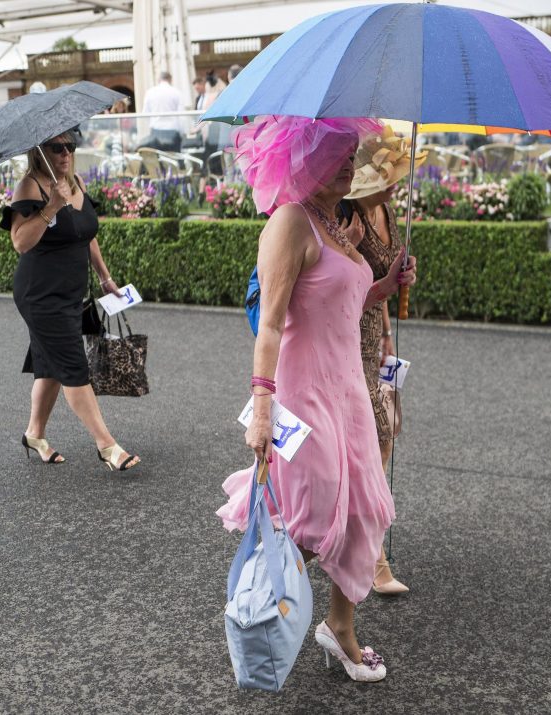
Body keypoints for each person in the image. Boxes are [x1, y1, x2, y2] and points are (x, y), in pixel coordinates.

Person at [217, 115, 417, 683]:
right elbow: (272, 326)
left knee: (366, 513)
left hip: (349, 392)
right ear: (303, 159)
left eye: (351, 153)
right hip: (304, 398)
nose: (350, 163)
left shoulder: (336, 226)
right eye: (337, 153)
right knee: (309, 518)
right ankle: (259, 606)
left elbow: (344, 308)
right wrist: (261, 409)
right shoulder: (289, 223)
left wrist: (386, 283)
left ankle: (339, 627)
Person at [0, 131, 140, 472]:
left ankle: (34, 434)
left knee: (50, 368)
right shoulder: (30, 187)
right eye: (56, 148)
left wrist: (105, 277)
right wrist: (52, 206)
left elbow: (85, 234)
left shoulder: (76, 182)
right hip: (40, 294)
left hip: (71, 292)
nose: (65, 154)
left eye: (70, 147)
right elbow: (20, 242)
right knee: (74, 368)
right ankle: (107, 446)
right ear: (39, 151)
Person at [342, 125, 425, 596]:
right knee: (371, 435)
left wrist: (389, 331)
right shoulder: (348, 216)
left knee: (382, 435)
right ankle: (372, 557)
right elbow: (343, 293)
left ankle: (364, 542)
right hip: (344, 334)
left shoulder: (387, 212)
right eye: (389, 176)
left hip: (373, 334)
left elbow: (383, 285)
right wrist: (387, 284)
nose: (397, 184)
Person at [139, 70, 183, 151]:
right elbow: (181, 115)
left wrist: (152, 123)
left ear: (158, 80)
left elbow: (145, 113)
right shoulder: (176, 92)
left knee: (158, 160)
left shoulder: (150, 92)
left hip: (156, 130)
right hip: (173, 130)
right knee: (174, 159)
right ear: (170, 80)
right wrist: (182, 132)